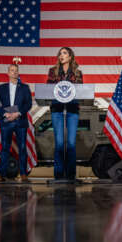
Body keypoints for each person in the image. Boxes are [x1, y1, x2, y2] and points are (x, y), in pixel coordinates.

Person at [47, 47, 83, 181]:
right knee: (60, 143)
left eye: (64, 53)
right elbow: (48, 89)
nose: (61, 55)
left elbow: (81, 90)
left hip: (72, 110)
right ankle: (58, 174)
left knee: (71, 144)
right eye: (60, 53)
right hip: (57, 110)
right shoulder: (53, 71)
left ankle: (70, 175)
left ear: (70, 57)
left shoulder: (78, 73)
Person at [0, 64, 32, 182]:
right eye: (12, 70)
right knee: (5, 148)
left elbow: (28, 104)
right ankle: (2, 174)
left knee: (22, 148)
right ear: (8, 73)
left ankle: (24, 174)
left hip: (20, 121)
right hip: (7, 121)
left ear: (18, 73)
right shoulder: (1, 88)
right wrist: (5, 114)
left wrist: (18, 113)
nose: (14, 72)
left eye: (16, 71)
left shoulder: (25, 87)